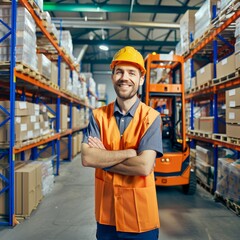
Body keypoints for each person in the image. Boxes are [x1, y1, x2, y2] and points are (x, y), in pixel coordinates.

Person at [81, 46, 163, 240]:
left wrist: (103, 158)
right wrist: (129, 153)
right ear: (112, 77)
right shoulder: (97, 116)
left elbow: (144, 166)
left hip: (141, 218)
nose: (124, 77)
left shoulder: (151, 118)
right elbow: (87, 158)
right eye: (119, 72)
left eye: (131, 73)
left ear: (141, 79)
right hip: (107, 216)